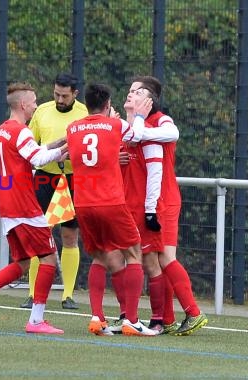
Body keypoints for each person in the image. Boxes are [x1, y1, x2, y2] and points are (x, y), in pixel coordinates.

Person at [0, 82, 68, 334]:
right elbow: (37, 158)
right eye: (33, 101)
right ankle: (36, 320)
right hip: (25, 206)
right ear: (23, 105)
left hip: (8, 206)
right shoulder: (21, 131)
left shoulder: (2, 131)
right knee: (48, 258)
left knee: (22, 262)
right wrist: (63, 152)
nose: (36, 105)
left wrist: (60, 142)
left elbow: (31, 151)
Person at [66, 83, 158, 336]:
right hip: (111, 201)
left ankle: (97, 318)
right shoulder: (115, 125)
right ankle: (133, 320)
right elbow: (136, 135)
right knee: (134, 254)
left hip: (83, 203)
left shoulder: (73, 128)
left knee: (99, 257)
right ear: (107, 105)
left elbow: (75, 155)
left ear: (86, 104)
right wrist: (139, 115)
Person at [125, 76, 208, 336]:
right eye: (130, 90)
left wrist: (139, 130)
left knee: (164, 257)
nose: (130, 94)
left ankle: (192, 312)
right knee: (156, 259)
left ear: (149, 99)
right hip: (147, 201)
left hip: (163, 199)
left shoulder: (160, 120)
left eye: (136, 91)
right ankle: (167, 319)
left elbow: (173, 133)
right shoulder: (134, 125)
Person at [21, 73, 88, 310]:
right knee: (39, 235)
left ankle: (67, 295)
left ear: (75, 94)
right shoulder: (42, 111)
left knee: (70, 236)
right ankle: (32, 293)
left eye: (65, 95)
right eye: (56, 94)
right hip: (45, 178)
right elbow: (30, 146)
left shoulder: (84, 113)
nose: (59, 99)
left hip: (72, 179)